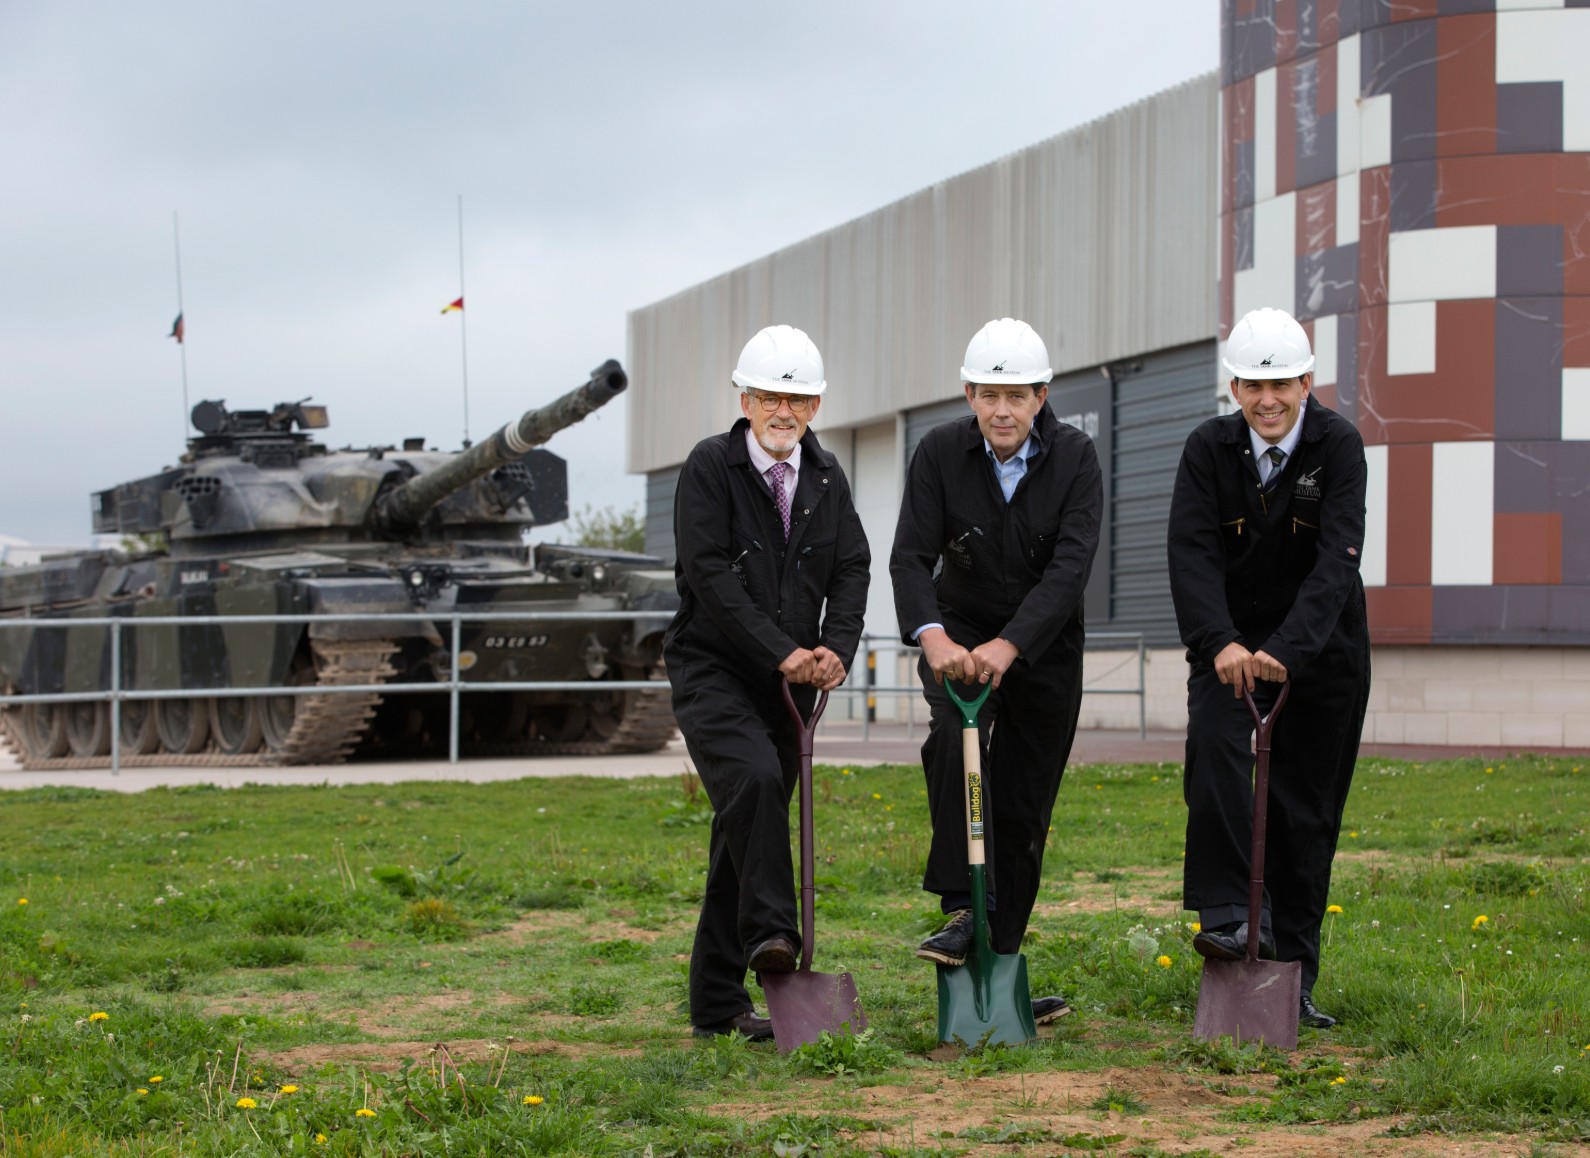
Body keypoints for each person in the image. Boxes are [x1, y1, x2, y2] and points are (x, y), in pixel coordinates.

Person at [890, 316, 1102, 1026]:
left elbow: (1071, 567)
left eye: (1017, 395)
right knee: (953, 740)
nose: (1002, 410)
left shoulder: (1075, 458)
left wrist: (1013, 646)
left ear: (1042, 396)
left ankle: (1001, 964)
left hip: (1042, 647)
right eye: (988, 395)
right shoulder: (939, 453)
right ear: (969, 395)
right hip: (961, 634)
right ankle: (961, 908)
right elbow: (910, 556)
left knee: (1022, 804)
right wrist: (934, 637)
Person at [665, 323, 871, 1042]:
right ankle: (774, 946)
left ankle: (715, 1006)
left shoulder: (824, 479)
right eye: (768, 397)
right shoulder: (709, 468)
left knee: (743, 835)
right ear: (745, 401)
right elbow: (709, 576)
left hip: (793, 684)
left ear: (814, 406)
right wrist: (781, 648)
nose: (784, 412)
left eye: (799, 399)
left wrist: (834, 648)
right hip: (713, 668)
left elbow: (851, 568)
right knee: (752, 782)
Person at [1167, 306, 1370, 1030]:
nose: (1268, 399)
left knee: (1304, 813)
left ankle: (1294, 977)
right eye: (1253, 384)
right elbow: (1190, 553)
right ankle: (1229, 920)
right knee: (1218, 760)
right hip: (1228, 654)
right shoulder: (1207, 448)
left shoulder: (1338, 446)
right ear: (1235, 387)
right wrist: (1220, 642)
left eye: (1282, 383)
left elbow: (1338, 560)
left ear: (1307, 381)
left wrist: (1288, 649)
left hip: (1320, 653)